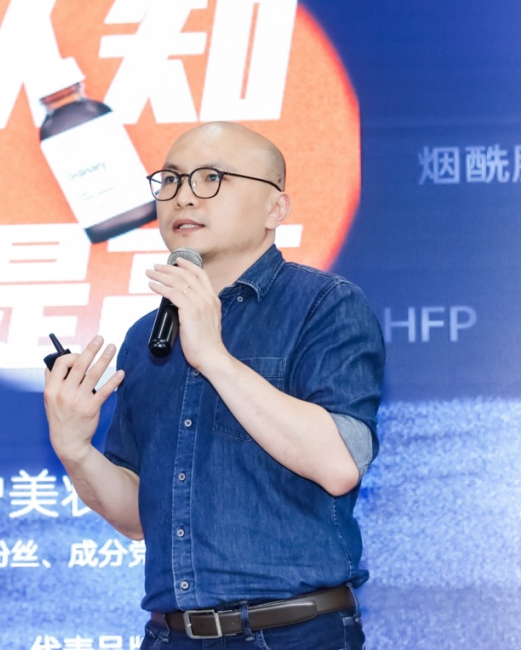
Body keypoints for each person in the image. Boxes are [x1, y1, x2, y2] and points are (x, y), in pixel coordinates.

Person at [43, 122, 385, 648]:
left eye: (211, 178)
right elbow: (137, 517)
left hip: (292, 633)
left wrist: (213, 356)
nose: (183, 197)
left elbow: (338, 464)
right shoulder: (146, 337)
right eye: (171, 180)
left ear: (275, 208)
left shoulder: (324, 304)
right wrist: (76, 451)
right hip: (173, 635)